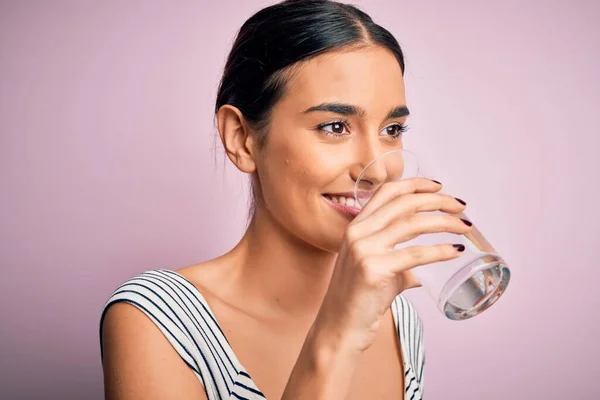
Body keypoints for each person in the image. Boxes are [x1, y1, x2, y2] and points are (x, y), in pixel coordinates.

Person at [99, 0, 472, 398]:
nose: (378, 170)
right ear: (241, 139)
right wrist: (339, 334)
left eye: (392, 129)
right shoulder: (157, 320)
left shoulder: (398, 317)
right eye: (334, 126)